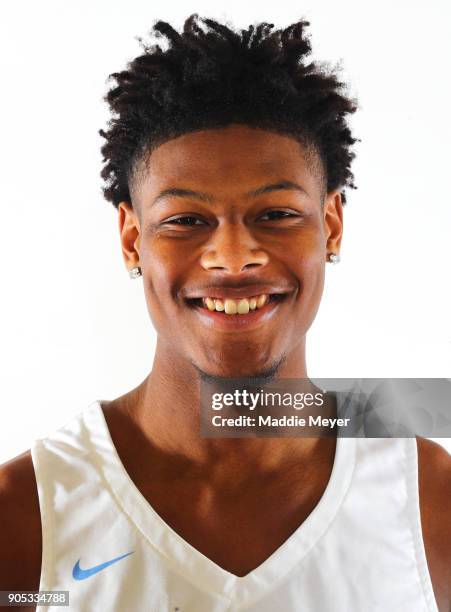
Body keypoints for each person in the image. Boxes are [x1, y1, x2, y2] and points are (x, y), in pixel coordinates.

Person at [0, 14, 450, 612]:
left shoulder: (429, 502)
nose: (234, 257)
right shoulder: (25, 518)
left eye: (277, 214)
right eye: (186, 220)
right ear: (133, 239)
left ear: (331, 225)